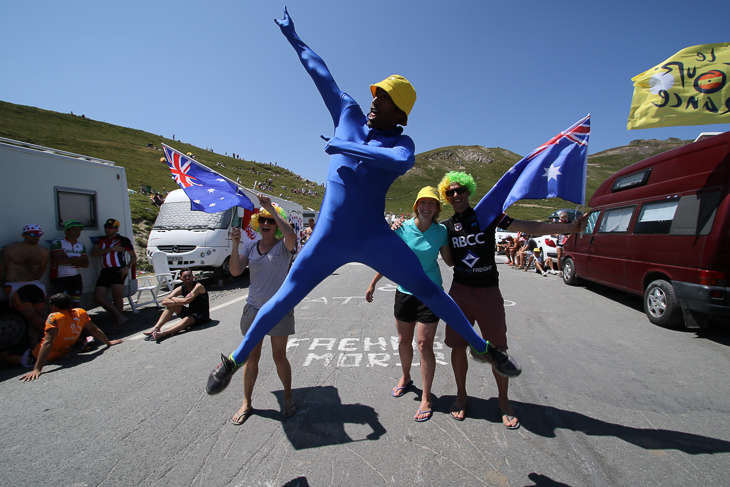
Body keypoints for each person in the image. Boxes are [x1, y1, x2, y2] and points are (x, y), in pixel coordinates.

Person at [205, 8, 520, 396]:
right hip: (329, 237)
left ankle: (485, 349)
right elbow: (320, 73)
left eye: (384, 98)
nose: (376, 100)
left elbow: (401, 161)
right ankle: (233, 360)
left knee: (429, 289)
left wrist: (341, 145)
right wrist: (293, 37)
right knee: (285, 295)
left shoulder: (400, 143)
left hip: (373, 236)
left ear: (399, 113)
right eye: (377, 93)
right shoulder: (349, 113)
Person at [437, 171, 586, 428]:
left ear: (469, 191)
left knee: (498, 349)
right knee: (457, 346)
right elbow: (446, 258)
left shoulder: (488, 215)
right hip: (459, 291)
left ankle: (503, 400)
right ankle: (461, 395)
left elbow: (529, 227)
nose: (456, 195)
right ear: (445, 196)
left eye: (460, 189)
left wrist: (569, 227)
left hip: (488, 292)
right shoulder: (447, 227)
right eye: (450, 192)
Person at [365, 187, 452, 422]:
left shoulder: (441, 231)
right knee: (404, 340)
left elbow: (450, 261)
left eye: (431, 203)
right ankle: (405, 377)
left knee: (424, 344)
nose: (426, 207)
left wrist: (460, 238)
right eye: (422, 202)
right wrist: (373, 283)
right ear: (416, 206)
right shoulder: (402, 229)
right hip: (405, 292)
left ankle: (426, 397)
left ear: (437, 208)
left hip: (431, 293)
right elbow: (390, 259)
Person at [228, 194, 298, 424]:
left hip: (278, 310)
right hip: (253, 310)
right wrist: (235, 243)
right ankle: (247, 402)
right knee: (251, 359)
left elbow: (291, 235)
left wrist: (271, 209)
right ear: (257, 224)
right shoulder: (250, 246)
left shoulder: (283, 247)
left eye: (270, 221)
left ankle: (288, 396)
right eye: (263, 220)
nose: (266, 224)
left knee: (279, 357)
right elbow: (236, 271)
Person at [1, 293, 123, 382]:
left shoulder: (54, 317)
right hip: (64, 352)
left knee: (4, 357)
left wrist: (37, 369)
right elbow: (94, 329)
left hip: (35, 357)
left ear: (53, 306)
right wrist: (108, 343)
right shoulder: (80, 312)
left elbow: (48, 343)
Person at [0, 224, 50, 347]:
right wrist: (5, 286)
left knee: (38, 316)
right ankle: (58, 337)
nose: (36, 237)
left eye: (38, 235)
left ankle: (35, 347)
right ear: (24, 235)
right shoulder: (9, 250)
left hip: (34, 284)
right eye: (32, 234)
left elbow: (41, 271)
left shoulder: (43, 251)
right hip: (15, 285)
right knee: (31, 316)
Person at [91, 219, 136, 333]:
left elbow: (133, 257)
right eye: (106, 227)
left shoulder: (123, 240)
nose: (107, 230)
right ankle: (120, 317)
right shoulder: (100, 240)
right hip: (105, 270)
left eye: (110, 228)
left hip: (118, 270)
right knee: (98, 297)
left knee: (117, 297)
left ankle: (118, 321)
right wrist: (111, 249)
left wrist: (127, 267)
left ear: (116, 229)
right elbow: (93, 253)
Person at [142, 268, 210, 341]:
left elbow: (186, 301)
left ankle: (164, 333)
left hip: (202, 315)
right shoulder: (181, 288)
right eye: (185, 276)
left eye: (189, 276)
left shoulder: (198, 286)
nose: (187, 278)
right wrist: (177, 300)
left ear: (192, 276)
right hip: (191, 312)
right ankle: (156, 328)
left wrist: (173, 299)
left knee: (188, 319)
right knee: (172, 306)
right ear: (180, 278)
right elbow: (164, 302)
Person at [50, 220, 89, 307]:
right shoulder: (58, 242)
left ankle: (74, 320)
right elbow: (59, 261)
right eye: (74, 229)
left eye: (79, 230)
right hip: (59, 278)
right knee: (63, 305)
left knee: (75, 305)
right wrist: (78, 259)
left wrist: (67, 258)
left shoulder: (81, 246)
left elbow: (86, 264)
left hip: (75, 278)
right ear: (67, 231)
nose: (77, 232)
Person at [555, 211, 569, 276]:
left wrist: (569, 235)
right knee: (559, 256)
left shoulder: (569, 223)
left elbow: (573, 231)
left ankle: (564, 269)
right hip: (559, 241)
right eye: (562, 218)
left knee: (565, 255)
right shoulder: (557, 223)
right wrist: (556, 234)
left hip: (566, 240)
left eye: (564, 219)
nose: (563, 220)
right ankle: (560, 270)